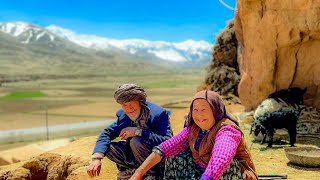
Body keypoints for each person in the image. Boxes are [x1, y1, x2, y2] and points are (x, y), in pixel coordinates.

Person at [129, 90, 258, 180]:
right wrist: (138, 173)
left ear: (216, 110)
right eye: (195, 110)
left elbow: (220, 158)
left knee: (228, 164)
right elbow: (166, 147)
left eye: (204, 110)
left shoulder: (227, 130)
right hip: (202, 171)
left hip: (228, 174)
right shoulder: (194, 129)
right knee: (174, 153)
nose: (199, 115)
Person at [87, 84, 173, 180]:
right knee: (108, 147)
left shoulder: (158, 114)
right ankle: (135, 170)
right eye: (125, 105)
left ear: (139, 101)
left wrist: (138, 131)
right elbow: (107, 133)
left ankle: (151, 174)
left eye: (131, 103)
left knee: (136, 141)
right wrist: (97, 158)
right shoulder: (123, 116)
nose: (129, 108)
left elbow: (168, 141)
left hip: (156, 158)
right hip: (135, 157)